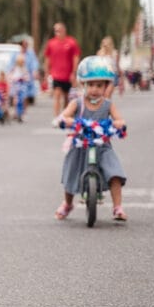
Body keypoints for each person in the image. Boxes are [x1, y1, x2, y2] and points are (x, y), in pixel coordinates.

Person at [55, 56, 128, 222]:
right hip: (81, 145)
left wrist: (119, 123)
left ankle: (118, 207)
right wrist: (66, 119)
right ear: (83, 84)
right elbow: (65, 115)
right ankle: (67, 203)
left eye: (99, 85)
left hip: (102, 145)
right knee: (71, 173)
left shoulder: (108, 104)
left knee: (115, 172)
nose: (94, 89)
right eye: (91, 85)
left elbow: (118, 119)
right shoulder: (77, 103)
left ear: (105, 86)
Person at [43, 22, 81, 119]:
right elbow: (47, 58)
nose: (57, 33)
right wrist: (46, 73)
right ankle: (56, 117)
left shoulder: (71, 42)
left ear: (64, 30)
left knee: (67, 97)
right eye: (55, 31)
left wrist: (74, 72)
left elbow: (76, 57)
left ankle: (65, 115)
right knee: (57, 95)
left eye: (59, 31)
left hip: (68, 75)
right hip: (56, 75)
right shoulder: (51, 43)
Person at [8, 53, 32, 122]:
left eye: (22, 61)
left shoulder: (24, 69)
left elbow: (27, 77)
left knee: (23, 99)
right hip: (16, 85)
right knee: (16, 99)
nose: (21, 63)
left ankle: (22, 113)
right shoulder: (14, 68)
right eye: (19, 61)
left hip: (22, 85)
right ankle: (16, 112)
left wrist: (25, 78)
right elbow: (10, 76)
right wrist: (13, 80)